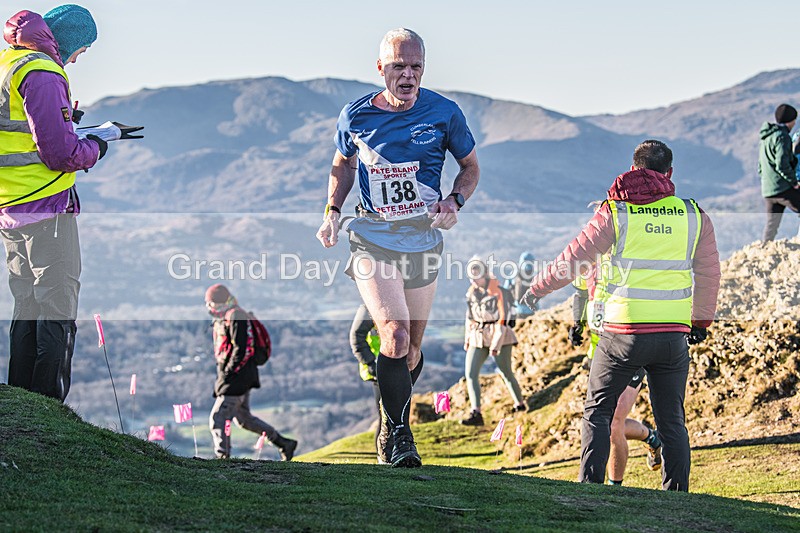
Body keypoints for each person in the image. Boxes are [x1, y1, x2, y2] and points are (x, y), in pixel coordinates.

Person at [316, 28, 480, 467]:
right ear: (380, 68)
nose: (408, 76)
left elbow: (470, 168)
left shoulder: (445, 113)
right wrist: (332, 209)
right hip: (372, 237)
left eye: (416, 68)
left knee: (410, 352)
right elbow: (342, 162)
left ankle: (392, 422)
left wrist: (454, 200)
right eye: (398, 67)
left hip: (423, 240)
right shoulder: (356, 116)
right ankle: (400, 434)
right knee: (394, 333)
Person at [521, 140, 721, 491]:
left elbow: (573, 260)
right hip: (673, 334)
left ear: (633, 169)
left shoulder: (616, 212)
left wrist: (537, 289)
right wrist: (700, 321)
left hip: (621, 334)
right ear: (670, 173)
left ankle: (591, 489)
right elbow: (709, 272)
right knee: (672, 420)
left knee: (597, 412)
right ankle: (677, 496)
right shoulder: (694, 214)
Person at [1, 5, 111, 402]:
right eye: (82, 48)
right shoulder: (44, 72)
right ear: (68, 41)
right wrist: (96, 145)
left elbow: (17, 132)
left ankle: (21, 399)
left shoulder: (9, 62)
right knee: (58, 303)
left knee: (27, 303)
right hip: (45, 205)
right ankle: (48, 403)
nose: (80, 57)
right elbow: (61, 155)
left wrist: (67, 122)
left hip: (11, 206)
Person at [571, 274, 663, 485]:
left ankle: (615, 489)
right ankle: (651, 437)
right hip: (599, 354)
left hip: (630, 349)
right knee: (607, 421)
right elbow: (581, 293)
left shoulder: (627, 254)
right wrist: (578, 323)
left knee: (613, 422)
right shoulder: (586, 260)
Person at [205, 284, 297, 460]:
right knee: (243, 418)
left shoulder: (236, 316)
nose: (208, 307)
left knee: (218, 417)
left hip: (237, 377)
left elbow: (243, 348)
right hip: (241, 375)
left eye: (210, 302)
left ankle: (222, 457)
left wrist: (229, 372)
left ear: (218, 302)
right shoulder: (227, 316)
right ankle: (283, 443)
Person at [461, 257, 525, 426]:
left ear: (485, 274)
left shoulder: (500, 292)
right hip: (478, 335)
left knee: (506, 372)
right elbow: (469, 318)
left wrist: (495, 345)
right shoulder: (471, 293)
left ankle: (520, 405)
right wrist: (467, 339)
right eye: (471, 277)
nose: (474, 280)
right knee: (470, 373)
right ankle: (476, 412)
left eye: (477, 276)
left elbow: (503, 320)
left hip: (501, 336)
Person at [349, 302, 394, 463]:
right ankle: (383, 456)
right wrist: (371, 363)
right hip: (377, 371)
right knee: (385, 415)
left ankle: (392, 454)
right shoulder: (369, 306)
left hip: (396, 367)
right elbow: (356, 338)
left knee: (393, 414)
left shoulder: (399, 302)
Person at [759, 103, 799, 241]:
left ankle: (764, 251)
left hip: (768, 190)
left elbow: (760, 167)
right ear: (790, 121)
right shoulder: (783, 137)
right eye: (794, 120)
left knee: (771, 225)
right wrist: (794, 183)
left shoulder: (765, 138)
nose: (795, 123)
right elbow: (782, 164)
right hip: (782, 188)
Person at [504, 251, 537, 319]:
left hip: (518, 309)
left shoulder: (514, 274)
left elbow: (505, 289)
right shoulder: (535, 274)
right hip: (534, 309)